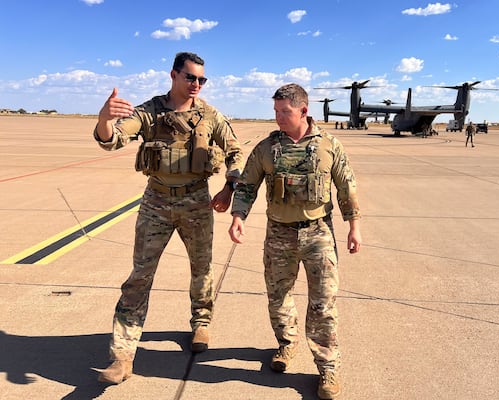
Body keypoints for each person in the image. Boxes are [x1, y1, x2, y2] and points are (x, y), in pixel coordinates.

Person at [93, 52, 244, 384]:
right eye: (190, 77)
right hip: (156, 202)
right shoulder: (151, 112)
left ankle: (201, 323)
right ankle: (122, 355)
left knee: (202, 269)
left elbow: (234, 150)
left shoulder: (209, 115)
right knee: (139, 277)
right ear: (173, 75)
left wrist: (230, 186)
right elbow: (113, 139)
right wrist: (105, 118)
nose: (196, 85)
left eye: (202, 80)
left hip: (197, 203)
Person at [228, 83, 362, 400]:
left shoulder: (329, 145)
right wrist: (238, 217)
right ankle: (287, 345)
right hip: (279, 233)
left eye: (284, 112)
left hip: (318, 233)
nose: (278, 118)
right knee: (278, 297)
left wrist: (354, 226)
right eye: (275, 111)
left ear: (304, 110)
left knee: (323, 304)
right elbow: (247, 184)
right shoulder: (266, 148)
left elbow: (347, 186)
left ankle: (328, 369)